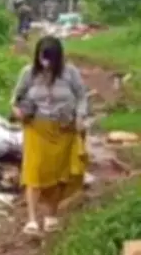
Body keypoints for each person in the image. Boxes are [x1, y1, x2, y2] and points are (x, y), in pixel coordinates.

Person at [10, 35, 89, 235]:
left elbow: (81, 96)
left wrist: (80, 116)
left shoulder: (70, 73)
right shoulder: (28, 73)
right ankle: (31, 219)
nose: (46, 64)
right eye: (43, 59)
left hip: (64, 129)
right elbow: (15, 98)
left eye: (50, 59)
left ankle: (51, 215)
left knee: (59, 174)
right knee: (34, 172)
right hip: (37, 128)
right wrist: (18, 111)